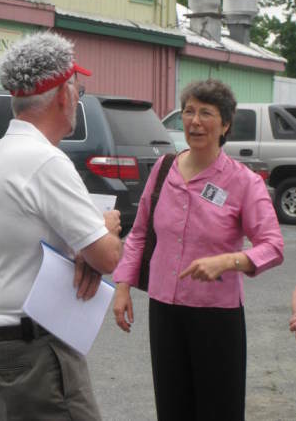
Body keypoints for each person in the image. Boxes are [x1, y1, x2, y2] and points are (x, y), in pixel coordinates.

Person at [113, 79, 284, 421]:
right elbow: (139, 232)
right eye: (189, 111)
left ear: (225, 125)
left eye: (206, 113)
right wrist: (122, 287)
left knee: (218, 408)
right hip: (165, 309)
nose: (194, 121)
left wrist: (230, 261)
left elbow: (273, 245)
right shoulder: (164, 170)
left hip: (216, 316)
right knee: (173, 406)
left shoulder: (243, 182)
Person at [0, 31, 122, 421]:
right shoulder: (45, 162)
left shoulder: (4, 153)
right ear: (63, 94)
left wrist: (83, 250)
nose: (79, 94)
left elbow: (45, 236)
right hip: (38, 351)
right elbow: (107, 255)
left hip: (6, 344)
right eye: (78, 85)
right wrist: (106, 225)